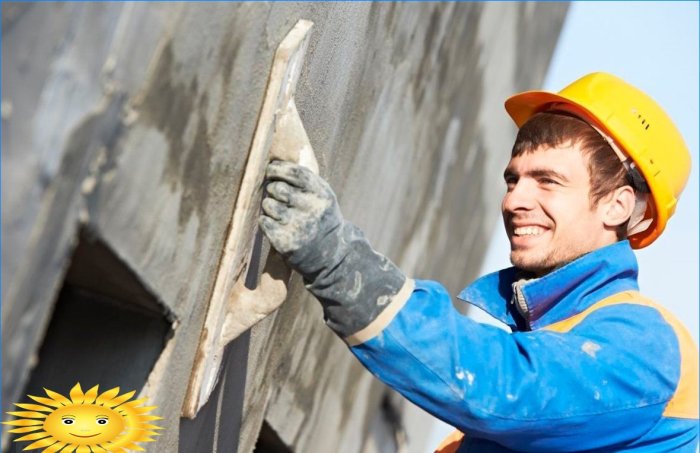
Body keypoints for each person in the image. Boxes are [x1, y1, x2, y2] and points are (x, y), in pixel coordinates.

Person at [259, 72, 699, 452]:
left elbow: (504, 389)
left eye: (548, 181)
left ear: (617, 207)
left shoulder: (648, 346)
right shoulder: (551, 347)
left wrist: (338, 262)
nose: (514, 200)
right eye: (514, 179)